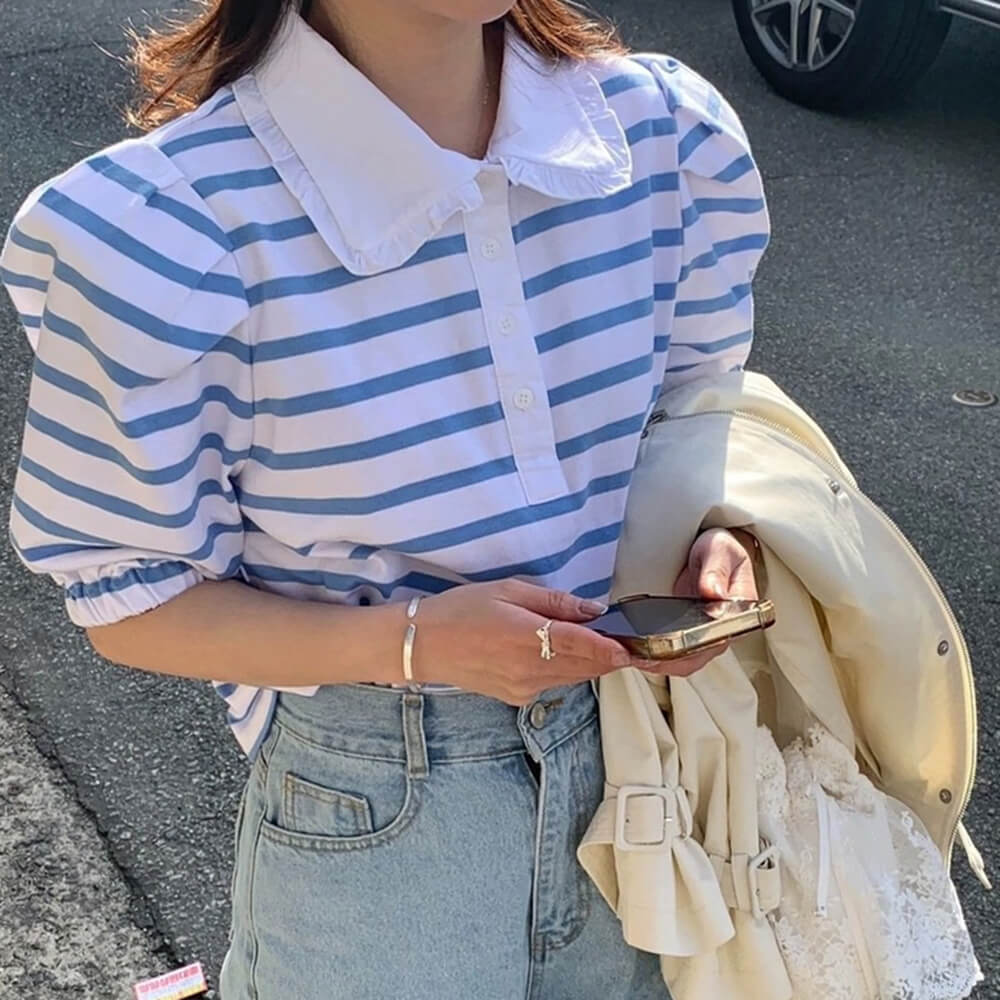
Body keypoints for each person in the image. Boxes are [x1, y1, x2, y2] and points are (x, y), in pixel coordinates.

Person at [0, 0, 769, 996]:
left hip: (640, 754)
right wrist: (408, 642)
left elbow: (701, 411)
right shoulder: (169, 227)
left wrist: (716, 531)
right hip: (379, 808)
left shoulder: (661, 137)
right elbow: (132, 603)